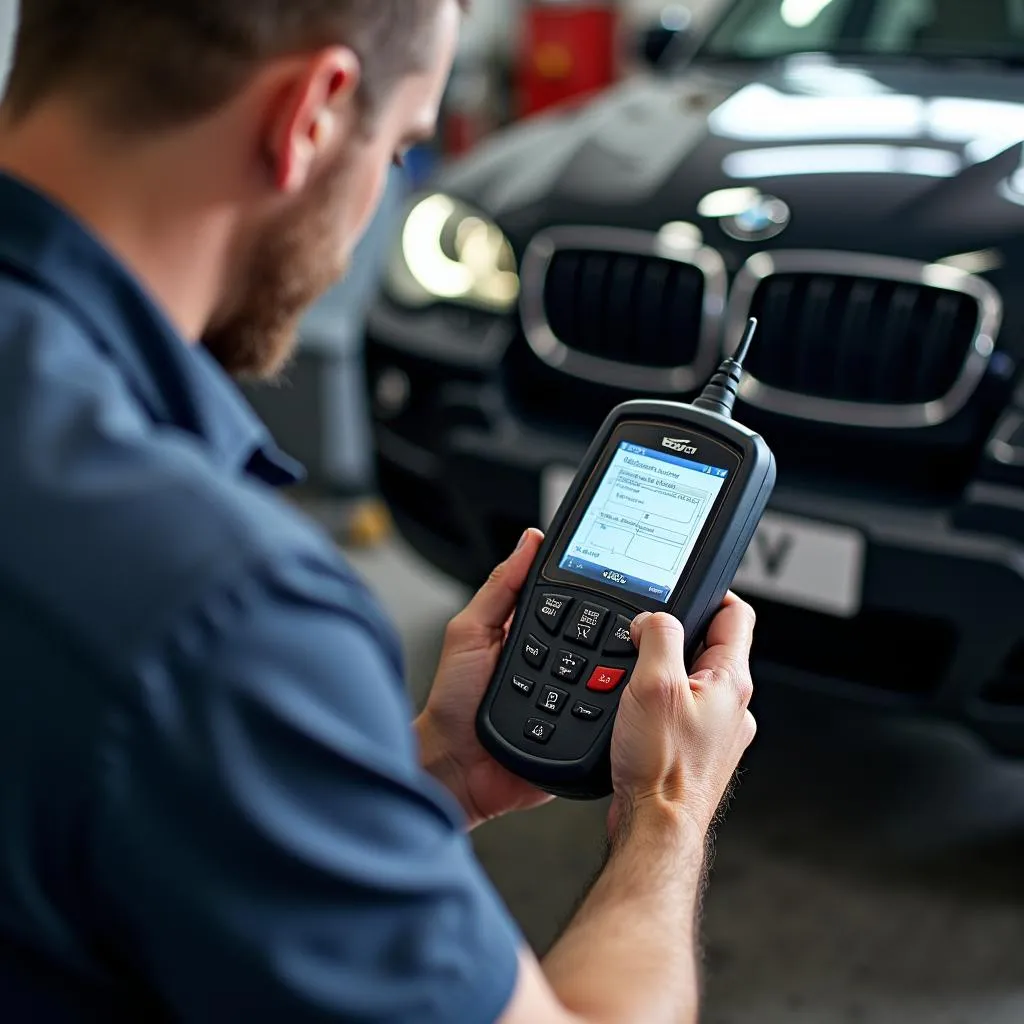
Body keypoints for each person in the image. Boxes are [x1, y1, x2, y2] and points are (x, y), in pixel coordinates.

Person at [0, 2, 758, 1022]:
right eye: (405, 149)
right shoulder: (217, 605)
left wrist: (430, 771)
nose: (385, 196)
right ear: (310, 116)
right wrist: (669, 812)